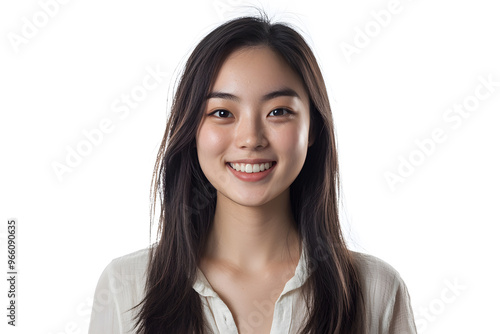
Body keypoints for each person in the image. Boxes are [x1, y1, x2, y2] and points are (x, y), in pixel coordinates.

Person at [89, 13, 417, 334]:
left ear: (312, 127)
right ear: (192, 130)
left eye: (278, 112)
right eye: (222, 112)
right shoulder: (125, 286)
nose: (251, 139)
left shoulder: (377, 291)